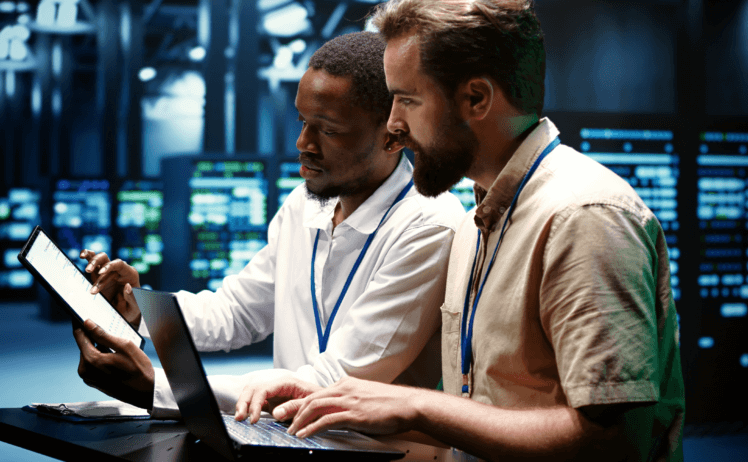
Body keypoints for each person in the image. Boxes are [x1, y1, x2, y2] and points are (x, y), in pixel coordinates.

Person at [243, 1, 686, 461]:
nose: (393, 124)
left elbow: (613, 441)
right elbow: (489, 417)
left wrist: (416, 405)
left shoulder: (583, 215)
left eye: (407, 99)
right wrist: (347, 403)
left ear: (476, 98)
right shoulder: (479, 221)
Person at [73, 31, 465, 419]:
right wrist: (139, 307)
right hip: (289, 437)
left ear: (394, 136)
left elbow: (331, 383)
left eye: (327, 129)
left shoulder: (428, 227)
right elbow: (235, 312)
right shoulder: (304, 205)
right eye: (303, 121)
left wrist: (157, 387)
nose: (303, 143)